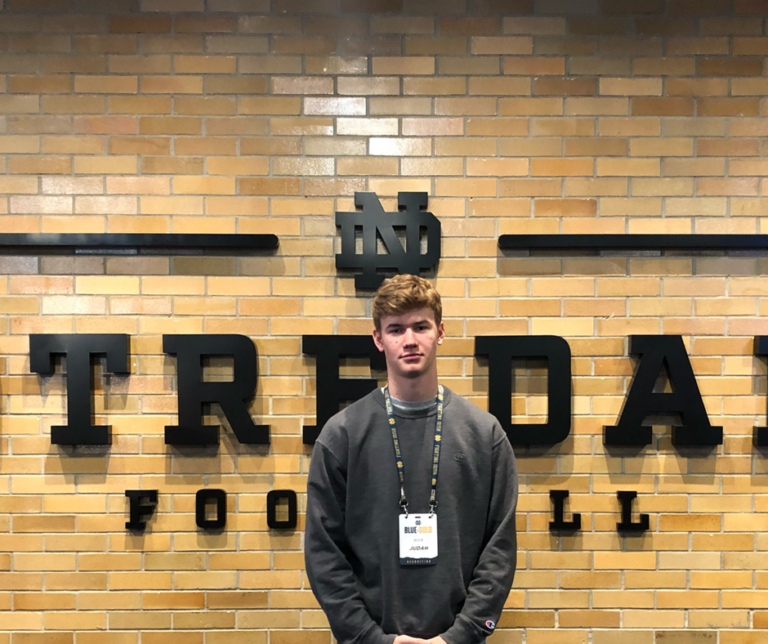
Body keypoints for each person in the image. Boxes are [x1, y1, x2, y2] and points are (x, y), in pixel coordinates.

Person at [304, 274, 518, 644]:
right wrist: (370, 638)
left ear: (440, 332)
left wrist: (459, 637)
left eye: (421, 326)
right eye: (396, 329)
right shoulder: (342, 435)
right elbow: (324, 553)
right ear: (378, 339)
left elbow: (499, 549)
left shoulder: (485, 435)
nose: (410, 340)